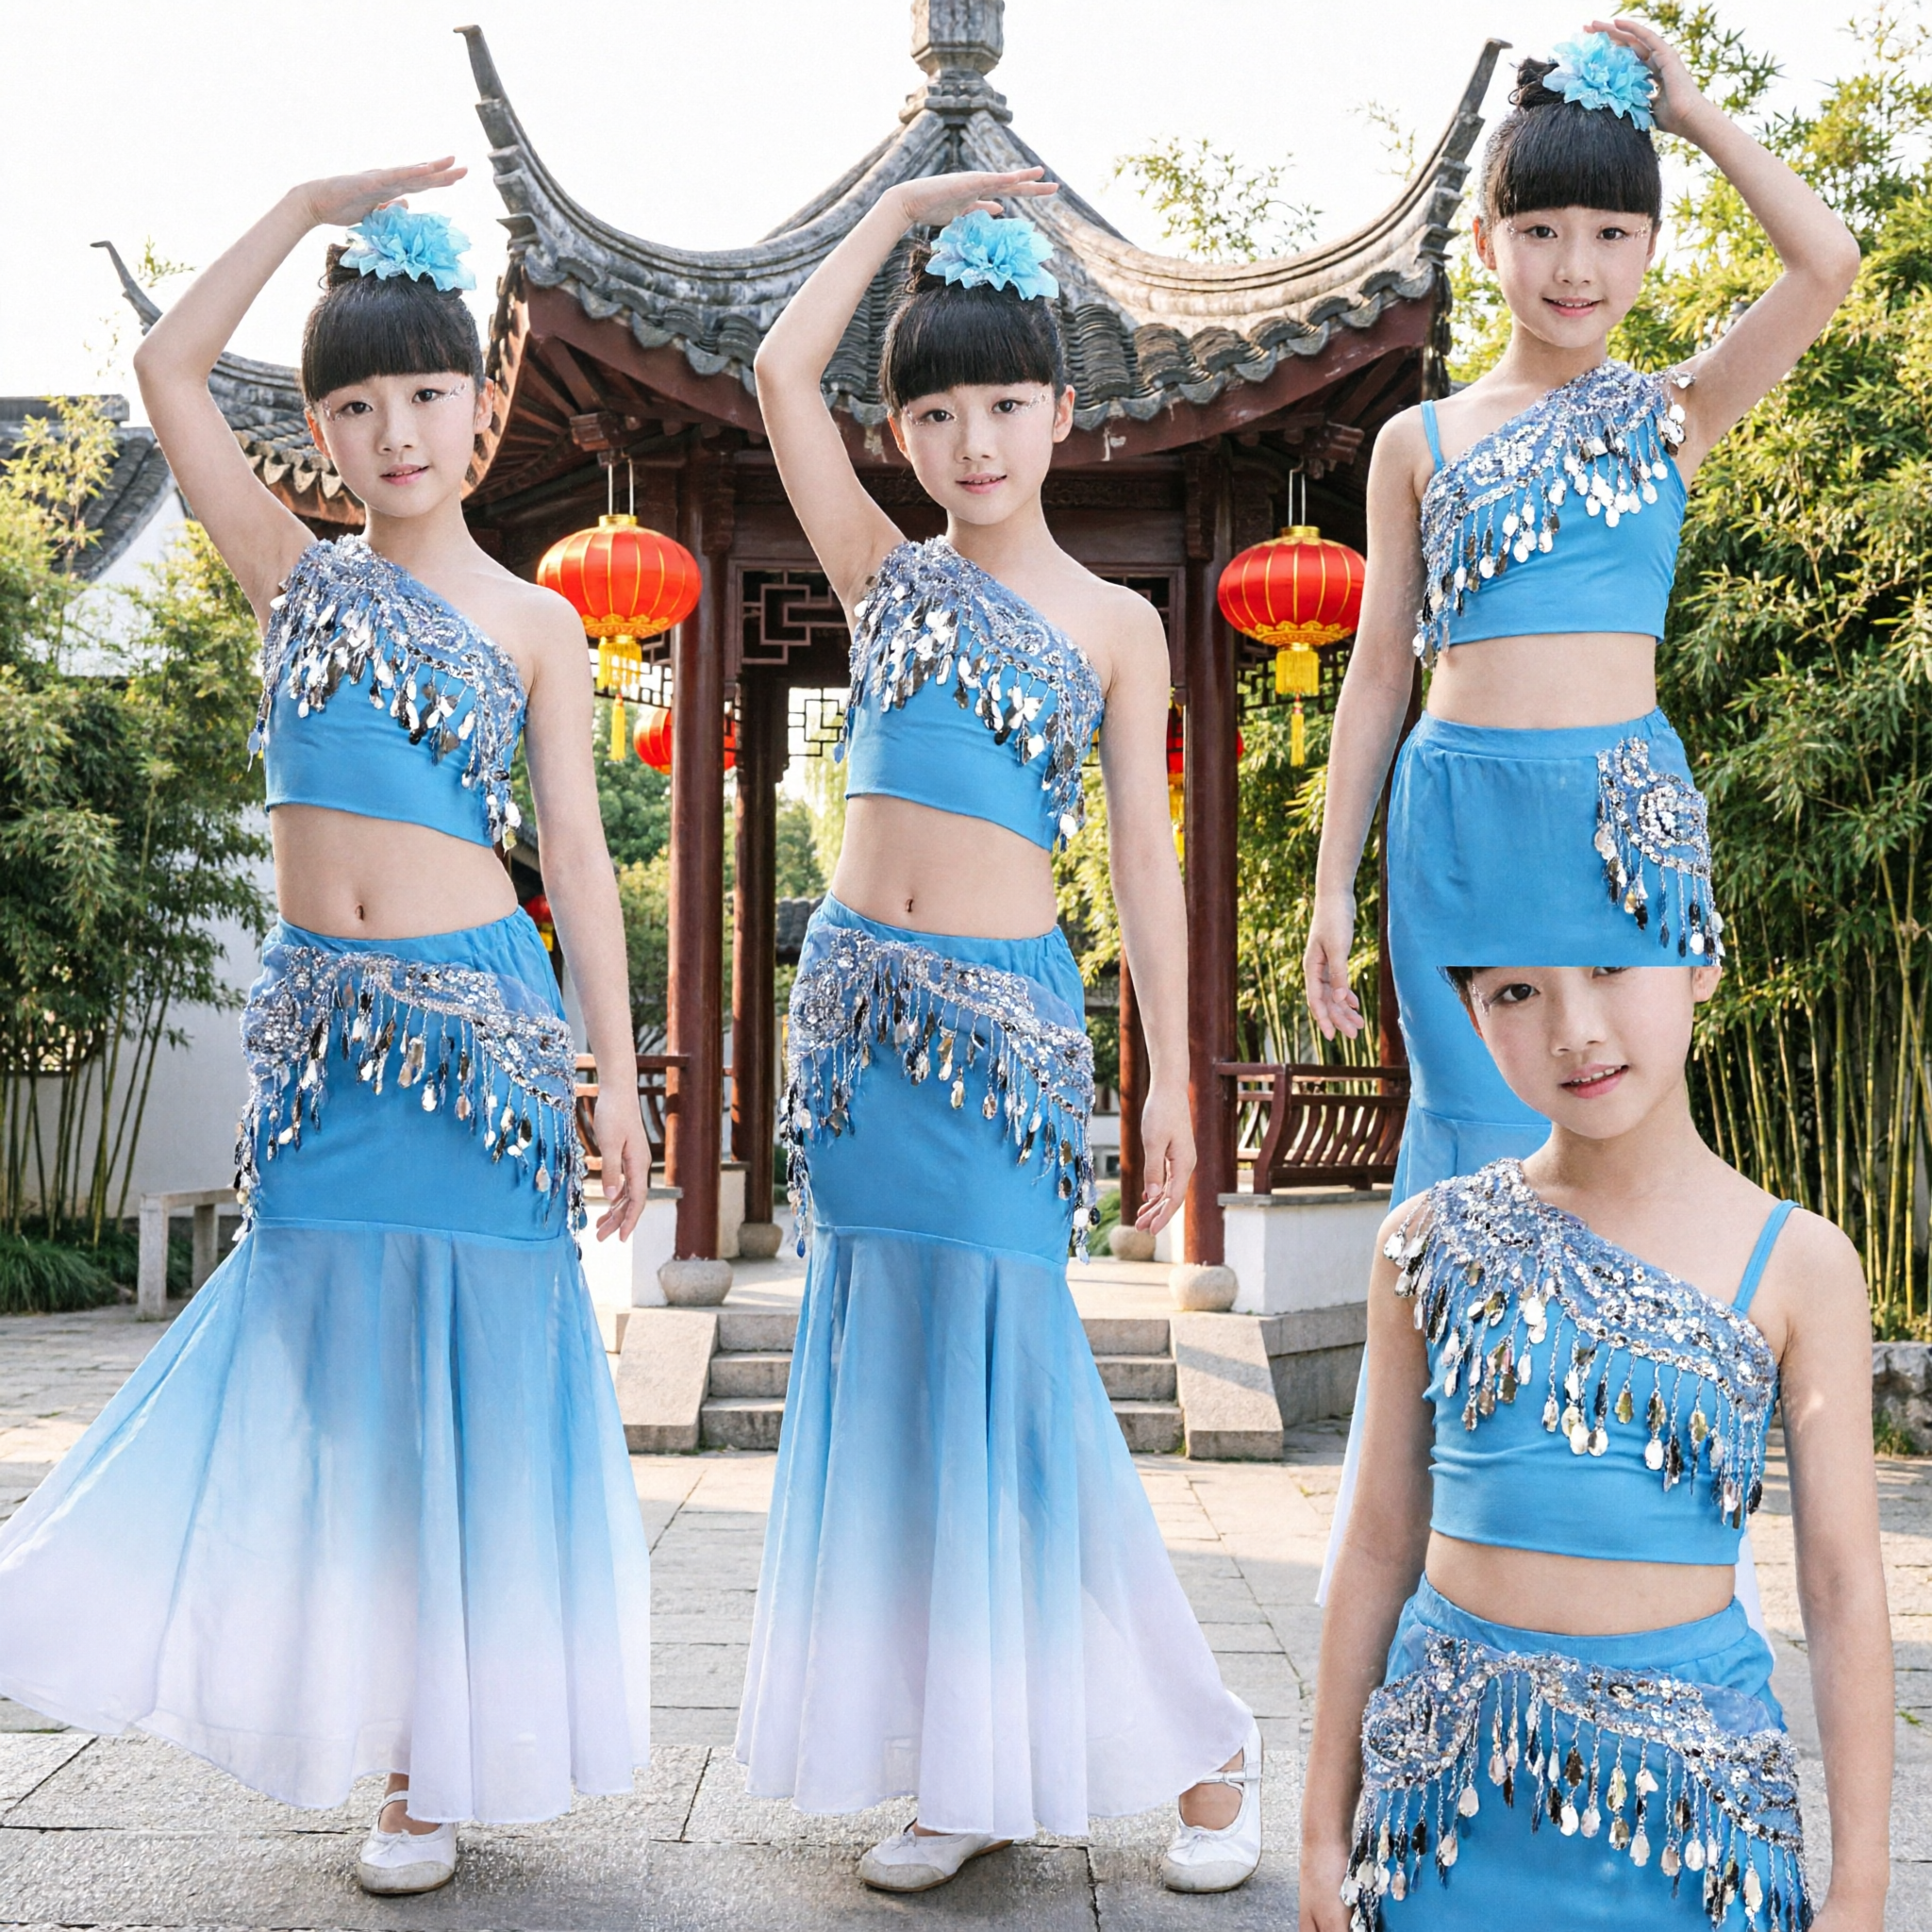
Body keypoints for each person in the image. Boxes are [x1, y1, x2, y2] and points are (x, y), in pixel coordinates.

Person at [0, 166, 654, 1897]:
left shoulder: (536, 621)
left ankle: (426, 1764)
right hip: (320, 1056)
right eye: (354, 403)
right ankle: (376, 1721)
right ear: (322, 426)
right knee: (332, 1398)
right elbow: (165, 372)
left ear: (481, 401)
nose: (395, 430)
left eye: (426, 393)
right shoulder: (288, 573)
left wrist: (622, 1072)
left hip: (480, 1050)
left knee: (470, 1401)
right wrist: (303, 208)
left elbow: (575, 859)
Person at [734, 169, 1260, 1894]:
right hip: (862, 1037)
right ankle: (961, 1769)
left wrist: (1171, 1069)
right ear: (900, 431)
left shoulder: (1117, 626)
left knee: (1019, 1398)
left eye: (1006, 405)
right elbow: (768, 369)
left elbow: (1145, 866)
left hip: (1004, 1050)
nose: (973, 441)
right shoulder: (881, 573)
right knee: (896, 1407)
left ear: (1065, 414)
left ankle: (1204, 1742)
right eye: (937, 410)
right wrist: (892, 212)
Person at [1306, 19, 1860, 1601]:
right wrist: (1330, 888)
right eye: (1540, 229)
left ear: (1645, 245)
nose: (1573, 264)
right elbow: (1366, 681)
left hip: (1625, 821)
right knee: (1474, 1168)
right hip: (1458, 824)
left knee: (1626, 1156)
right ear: (1484, 240)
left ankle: (1617, 1550)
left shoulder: (1668, 416)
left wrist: (1688, 111)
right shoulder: (1415, 444)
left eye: (1611, 232)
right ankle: (1433, 1559)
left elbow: (1823, 263)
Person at [1301, 962, 1892, 1929]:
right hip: (1441, 1816)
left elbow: (1839, 1584)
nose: (1572, 1027)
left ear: (1703, 961)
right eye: (1513, 991)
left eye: (1609, 967)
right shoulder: (1426, 1240)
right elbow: (1374, 1543)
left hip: (1691, 1832)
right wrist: (1321, 1829)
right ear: (1468, 1009)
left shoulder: (1799, 1261)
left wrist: (1859, 1887)